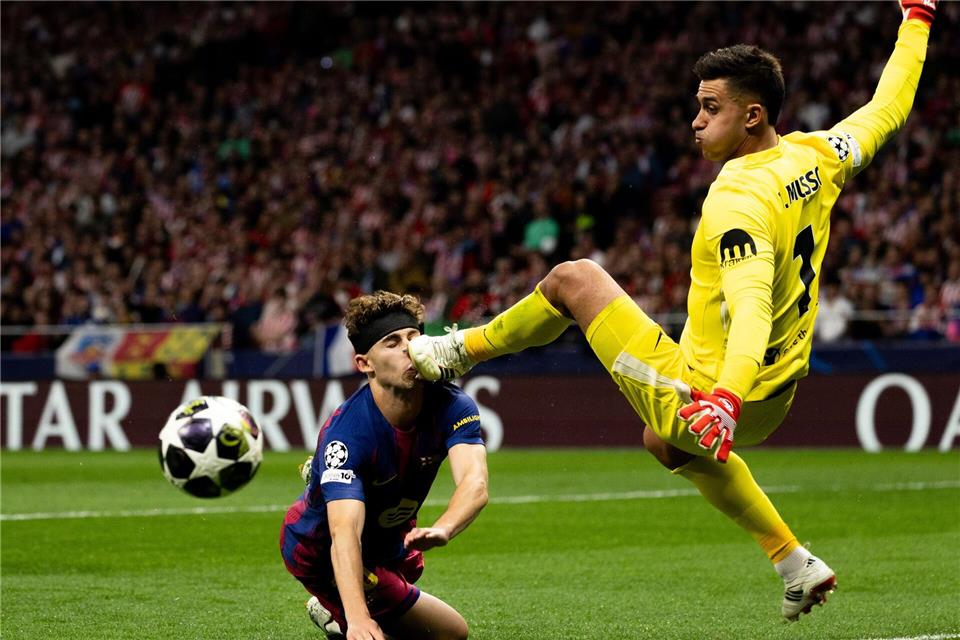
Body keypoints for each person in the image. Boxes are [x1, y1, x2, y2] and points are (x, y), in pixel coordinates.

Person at [408, 1, 937, 623]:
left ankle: (455, 351)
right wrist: (918, 17)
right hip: (775, 394)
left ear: (752, 115)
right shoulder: (818, 154)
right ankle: (793, 560)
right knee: (661, 442)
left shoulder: (737, 199)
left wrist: (724, 400)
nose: (695, 121)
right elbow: (888, 107)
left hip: (714, 396)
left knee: (574, 280)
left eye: (710, 108)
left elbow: (750, 308)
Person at [280, 291, 488, 640]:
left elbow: (474, 482)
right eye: (392, 342)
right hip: (319, 551)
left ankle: (335, 609)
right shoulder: (346, 434)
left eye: (414, 338)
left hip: (392, 538)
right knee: (451, 633)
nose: (410, 348)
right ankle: (339, 611)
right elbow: (343, 534)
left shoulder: (453, 404)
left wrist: (446, 527)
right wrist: (359, 620)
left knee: (410, 566)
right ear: (364, 364)